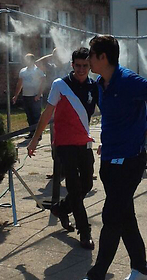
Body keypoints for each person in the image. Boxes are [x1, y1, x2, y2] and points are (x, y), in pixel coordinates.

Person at [69, 35, 147, 280]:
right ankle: (141, 268)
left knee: (111, 216)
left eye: (92, 55)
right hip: (110, 159)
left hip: (130, 160)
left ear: (103, 57)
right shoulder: (101, 84)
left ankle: (95, 279)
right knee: (125, 216)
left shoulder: (128, 80)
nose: (88, 60)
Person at [27, 47, 98, 249]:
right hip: (64, 145)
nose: (81, 69)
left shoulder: (95, 87)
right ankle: (85, 233)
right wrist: (34, 140)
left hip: (84, 143)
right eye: (78, 66)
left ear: (90, 66)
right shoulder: (61, 85)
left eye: (85, 66)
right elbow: (47, 114)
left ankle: (60, 208)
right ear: (72, 65)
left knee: (87, 185)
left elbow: (107, 113)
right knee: (75, 188)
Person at [12, 53, 45, 137]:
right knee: (29, 115)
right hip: (26, 96)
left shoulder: (38, 70)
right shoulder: (23, 71)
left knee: (36, 115)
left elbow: (43, 83)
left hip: (35, 96)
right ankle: (31, 132)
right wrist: (16, 95)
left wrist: (39, 94)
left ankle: (38, 134)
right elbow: (19, 84)